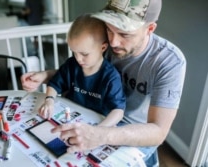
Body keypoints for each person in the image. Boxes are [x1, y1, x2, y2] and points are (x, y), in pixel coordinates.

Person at [21, 0, 186, 166]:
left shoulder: (169, 61)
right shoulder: (105, 38)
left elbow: (158, 131)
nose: (113, 42)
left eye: (125, 34)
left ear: (149, 29)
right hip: (95, 113)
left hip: (134, 130)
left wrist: (101, 134)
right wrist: (46, 75)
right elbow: (79, 71)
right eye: (110, 28)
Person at [39, 14, 125, 127]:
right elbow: (54, 84)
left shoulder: (111, 77)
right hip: (69, 117)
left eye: (84, 54)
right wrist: (49, 101)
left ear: (103, 48)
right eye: (74, 52)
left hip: (96, 123)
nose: (78, 58)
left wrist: (99, 130)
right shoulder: (71, 65)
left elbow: (118, 111)